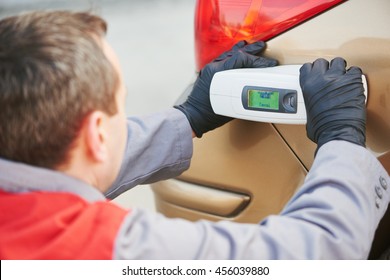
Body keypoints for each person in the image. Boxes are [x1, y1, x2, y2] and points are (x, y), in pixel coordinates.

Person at [0, 10, 388, 260]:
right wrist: (341, 140)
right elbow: (310, 256)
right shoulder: (100, 252)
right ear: (97, 136)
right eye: (121, 103)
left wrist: (187, 118)